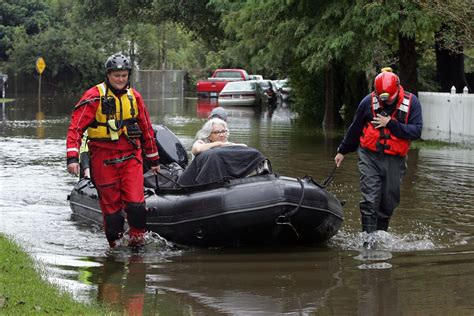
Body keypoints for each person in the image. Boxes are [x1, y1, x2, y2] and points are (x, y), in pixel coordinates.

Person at [66, 53, 160, 248]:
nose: (120, 79)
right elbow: (76, 127)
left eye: (124, 75)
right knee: (113, 213)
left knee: (136, 205)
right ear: (108, 75)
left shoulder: (135, 97)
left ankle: (137, 244)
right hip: (103, 158)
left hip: (131, 157)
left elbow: (146, 129)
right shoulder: (94, 96)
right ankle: (115, 248)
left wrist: (154, 159)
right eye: (117, 75)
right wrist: (72, 158)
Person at [334, 68, 423, 240]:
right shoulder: (368, 102)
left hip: (395, 160)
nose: (386, 102)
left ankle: (381, 238)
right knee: (370, 199)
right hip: (370, 156)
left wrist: (390, 123)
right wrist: (342, 151)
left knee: (388, 202)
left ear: (397, 90)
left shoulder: (412, 103)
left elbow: (416, 131)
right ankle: (368, 241)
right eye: (382, 98)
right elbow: (355, 128)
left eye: (388, 98)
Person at [179, 118, 268, 186]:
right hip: (197, 181)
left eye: (223, 131)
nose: (221, 134)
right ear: (209, 135)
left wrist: (228, 145)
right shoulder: (201, 143)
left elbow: (244, 147)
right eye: (217, 132)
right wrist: (218, 144)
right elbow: (197, 149)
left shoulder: (228, 145)